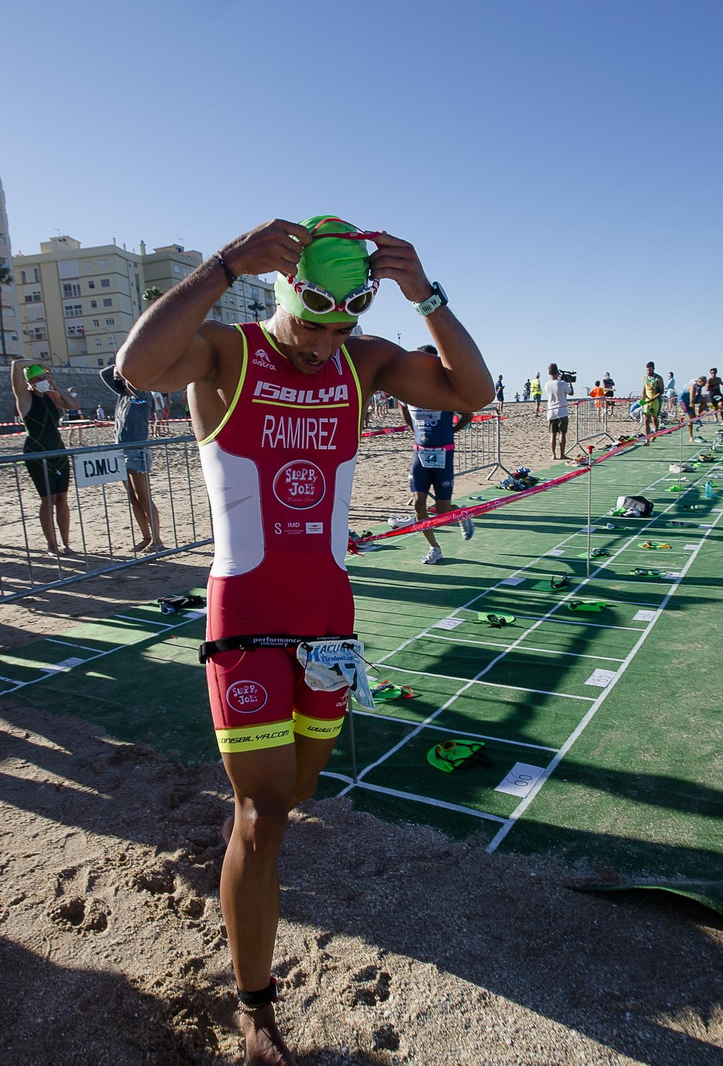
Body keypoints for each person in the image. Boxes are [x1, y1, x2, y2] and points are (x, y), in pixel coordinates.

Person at [118, 215, 491, 1064]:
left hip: (328, 617)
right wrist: (221, 265)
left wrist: (425, 294)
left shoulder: (361, 363)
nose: (326, 342)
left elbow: (471, 393)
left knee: (290, 801)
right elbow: (136, 369)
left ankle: (258, 900)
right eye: (314, 320)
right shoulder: (224, 351)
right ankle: (256, 1008)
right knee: (258, 809)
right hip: (245, 618)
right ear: (284, 294)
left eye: (342, 324)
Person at [399, 346, 475, 564]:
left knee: (442, 511)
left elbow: (468, 414)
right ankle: (434, 548)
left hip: (443, 454)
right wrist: (414, 429)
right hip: (420, 454)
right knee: (417, 504)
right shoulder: (408, 388)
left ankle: (461, 513)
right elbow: (402, 407)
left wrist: (451, 431)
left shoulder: (445, 390)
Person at [11, 359, 81, 555]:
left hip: (57, 449)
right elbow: (16, 365)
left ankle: (66, 543)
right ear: (30, 381)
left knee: (62, 498)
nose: (43, 380)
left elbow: (74, 404)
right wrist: (39, 362)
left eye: (44, 377)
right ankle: (52, 545)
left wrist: (55, 385)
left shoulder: (51, 396)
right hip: (36, 451)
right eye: (39, 378)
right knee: (48, 499)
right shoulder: (24, 398)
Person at [99, 359, 163, 553]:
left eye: (123, 374)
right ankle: (146, 537)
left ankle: (157, 540)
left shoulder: (142, 395)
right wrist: (121, 363)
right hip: (120, 452)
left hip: (137, 452)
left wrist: (130, 371)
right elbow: (104, 373)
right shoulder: (123, 396)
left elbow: (136, 387)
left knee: (144, 497)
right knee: (132, 498)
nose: (119, 377)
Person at [545, 362, 573, 460]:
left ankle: (553, 455)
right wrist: (569, 382)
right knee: (562, 433)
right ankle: (562, 454)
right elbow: (571, 392)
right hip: (561, 410)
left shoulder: (547, 385)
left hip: (551, 410)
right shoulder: (561, 383)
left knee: (552, 434)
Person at [637, 361, 664, 435]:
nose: (648, 372)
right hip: (647, 401)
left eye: (650, 370)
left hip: (656, 401)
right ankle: (647, 439)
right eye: (647, 370)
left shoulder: (658, 378)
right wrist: (642, 400)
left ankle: (655, 432)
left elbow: (661, 391)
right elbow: (644, 390)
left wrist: (652, 399)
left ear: (653, 369)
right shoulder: (644, 378)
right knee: (646, 419)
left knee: (654, 419)